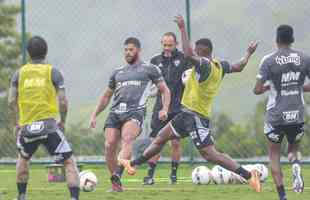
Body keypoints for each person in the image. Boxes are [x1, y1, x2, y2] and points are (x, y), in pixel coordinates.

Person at [120, 15, 262, 193]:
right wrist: (248, 53)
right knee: (160, 138)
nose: (192, 52)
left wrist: (182, 28)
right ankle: (131, 164)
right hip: (185, 114)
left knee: (210, 154)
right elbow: (239, 66)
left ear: (201, 52)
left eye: (196, 50)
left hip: (196, 116)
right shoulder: (220, 65)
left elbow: (187, 54)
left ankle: (249, 176)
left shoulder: (205, 65)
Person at [89, 37, 171, 192]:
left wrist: (164, 109)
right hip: (115, 113)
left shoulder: (150, 69)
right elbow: (106, 96)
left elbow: (165, 90)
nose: (127, 52)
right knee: (109, 145)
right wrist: (94, 115)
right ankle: (116, 185)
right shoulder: (117, 72)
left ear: (138, 50)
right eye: (125, 50)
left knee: (127, 140)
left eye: (131, 49)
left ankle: (118, 175)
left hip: (135, 112)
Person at [8, 36, 80, 200]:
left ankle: (21, 196)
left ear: (28, 53)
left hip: (27, 127)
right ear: (46, 52)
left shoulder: (19, 73)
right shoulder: (53, 72)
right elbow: (63, 101)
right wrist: (63, 121)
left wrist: (16, 124)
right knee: (69, 161)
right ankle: (74, 198)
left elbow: (11, 101)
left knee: (23, 158)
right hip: (48, 126)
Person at [254, 25, 309, 200]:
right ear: (292, 39)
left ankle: (283, 196)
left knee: (274, 156)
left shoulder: (268, 61)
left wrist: (268, 87)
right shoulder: (304, 58)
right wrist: (298, 87)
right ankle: (296, 166)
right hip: (297, 114)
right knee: (293, 148)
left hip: (276, 116)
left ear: (276, 40)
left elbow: (256, 89)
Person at [143, 32, 191, 185]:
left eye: (170, 45)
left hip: (178, 107)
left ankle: (174, 175)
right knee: (157, 141)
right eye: (164, 45)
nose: (167, 48)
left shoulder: (184, 59)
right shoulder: (155, 61)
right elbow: (149, 83)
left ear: (176, 44)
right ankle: (150, 175)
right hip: (160, 107)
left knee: (176, 142)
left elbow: (189, 79)